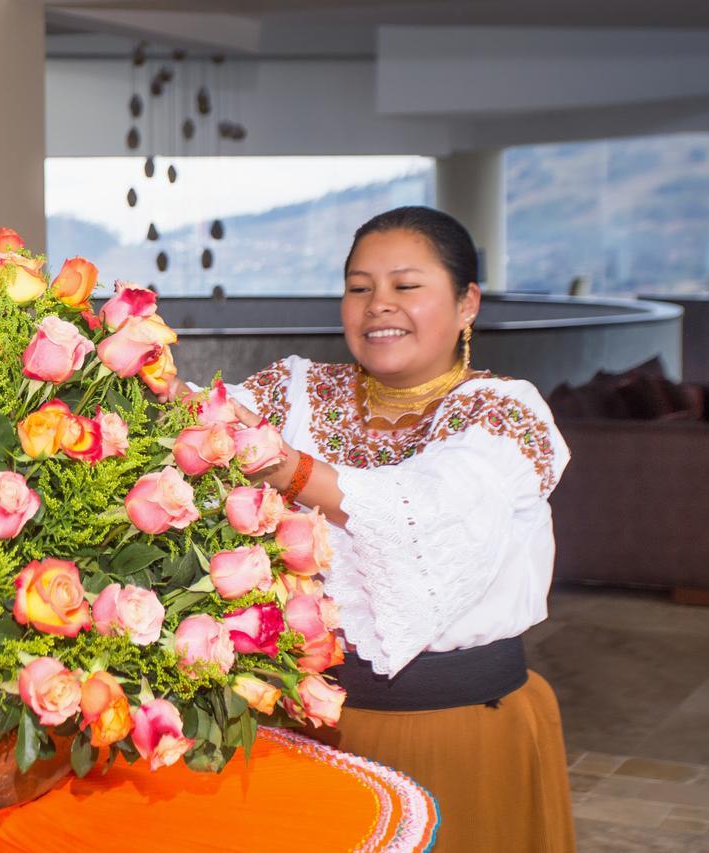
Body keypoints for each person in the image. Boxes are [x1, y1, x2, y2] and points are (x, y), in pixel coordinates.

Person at [174, 206, 575, 852]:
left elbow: (425, 507)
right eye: (359, 288)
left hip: (461, 731)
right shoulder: (298, 392)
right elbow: (196, 410)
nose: (377, 305)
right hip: (309, 728)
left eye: (405, 286)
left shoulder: (505, 412)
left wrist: (279, 462)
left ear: (467, 302)